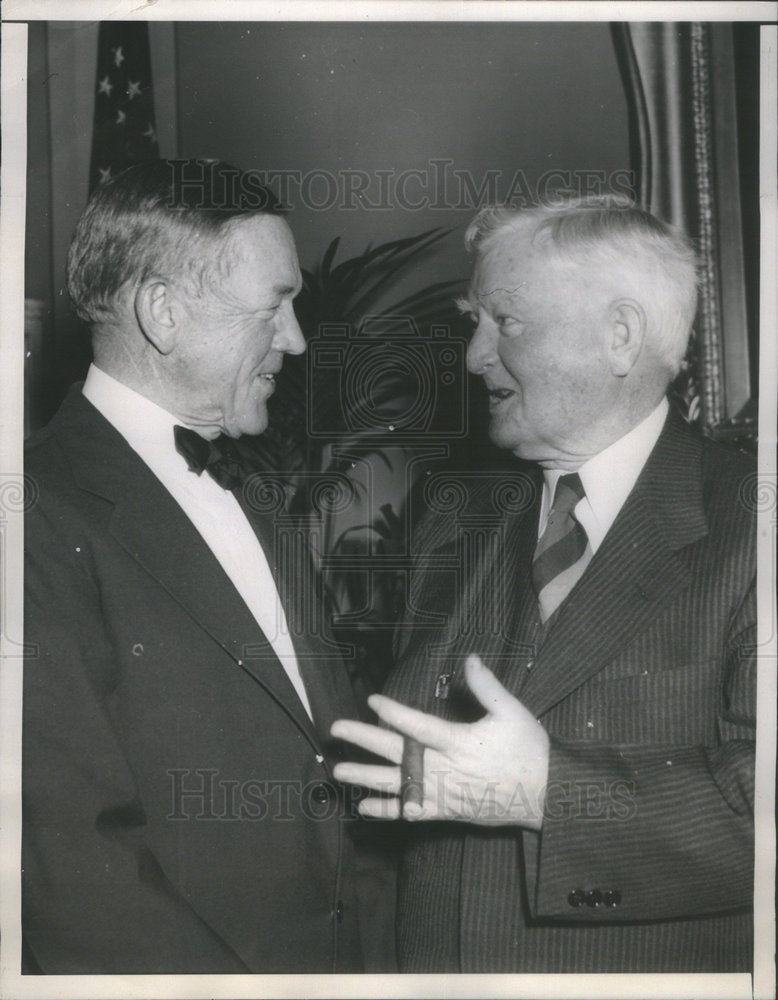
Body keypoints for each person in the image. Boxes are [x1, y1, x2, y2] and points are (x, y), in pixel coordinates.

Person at [331, 197, 756, 973]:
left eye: (506, 322)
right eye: (474, 322)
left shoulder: (750, 523)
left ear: (620, 336)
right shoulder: (453, 519)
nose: (473, 357)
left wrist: (547, 794)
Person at [22, 159, 394, 974]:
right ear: (164, 312)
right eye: (276, 305)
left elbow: (335, 768)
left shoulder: (255, 492)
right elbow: (71, 865)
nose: (295, 338)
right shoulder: (34, 514)